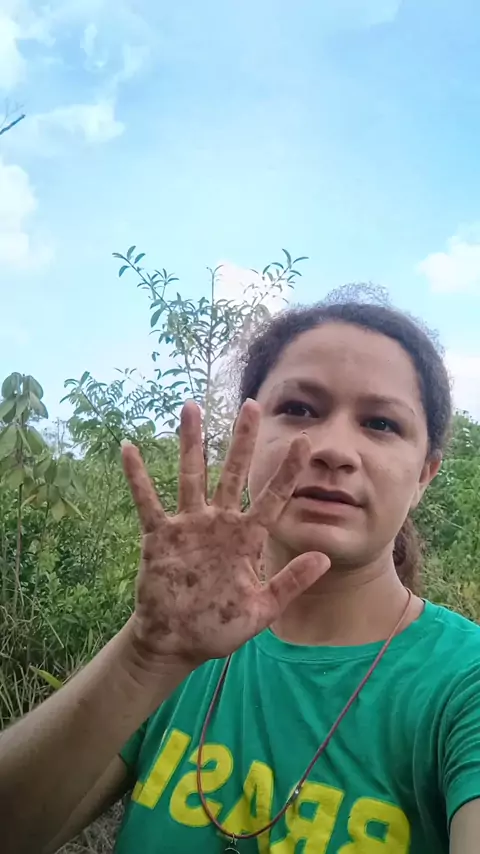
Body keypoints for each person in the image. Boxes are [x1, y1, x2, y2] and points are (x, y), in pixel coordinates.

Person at [2, 301, 480, 854]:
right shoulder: (177, 653)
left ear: (425, 475)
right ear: (245, 440)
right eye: (299, 408)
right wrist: (145, 656)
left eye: (380, 423)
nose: (332, 449)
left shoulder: (463, 683)